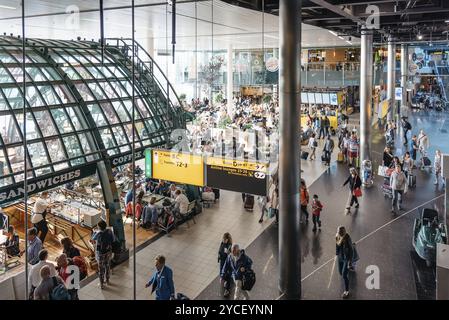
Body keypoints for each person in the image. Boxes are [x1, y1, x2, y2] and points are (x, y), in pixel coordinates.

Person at [91, 220, 114, 289]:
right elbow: (113, 239)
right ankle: (107, 280)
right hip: (108, 251)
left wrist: (95, 232)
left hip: (100, 253)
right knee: (107, 265)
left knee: (101, 268)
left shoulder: (99, 233)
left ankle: (101, 284)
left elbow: (93, 238)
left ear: (99, 227)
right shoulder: (110, 231)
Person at [336, 226, 353, 299]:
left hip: (346, 258)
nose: (339, 233)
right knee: (340, 272)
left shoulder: (347, 238)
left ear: (343, 232)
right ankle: (346, 270)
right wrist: (336, 254)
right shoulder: (337, 236)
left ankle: (346, 291)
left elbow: (351, 250)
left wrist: (350, 261)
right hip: (340, 257)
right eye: (338, 232)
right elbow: (337, 245)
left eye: (340, 233)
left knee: (344, 275)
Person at [218, 233, 233, 297]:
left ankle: (227, 289)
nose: (223, 240)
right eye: (223, 238)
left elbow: (232, 255)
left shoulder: (229, 246)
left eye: (224, 239)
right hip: (222, 262)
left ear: (227, 240)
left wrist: (228, 252)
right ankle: (225, 280)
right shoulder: (222, 243)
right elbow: (220, 249)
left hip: (226, 263)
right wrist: (219, 255)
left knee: (227, 275)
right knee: (222, 272)